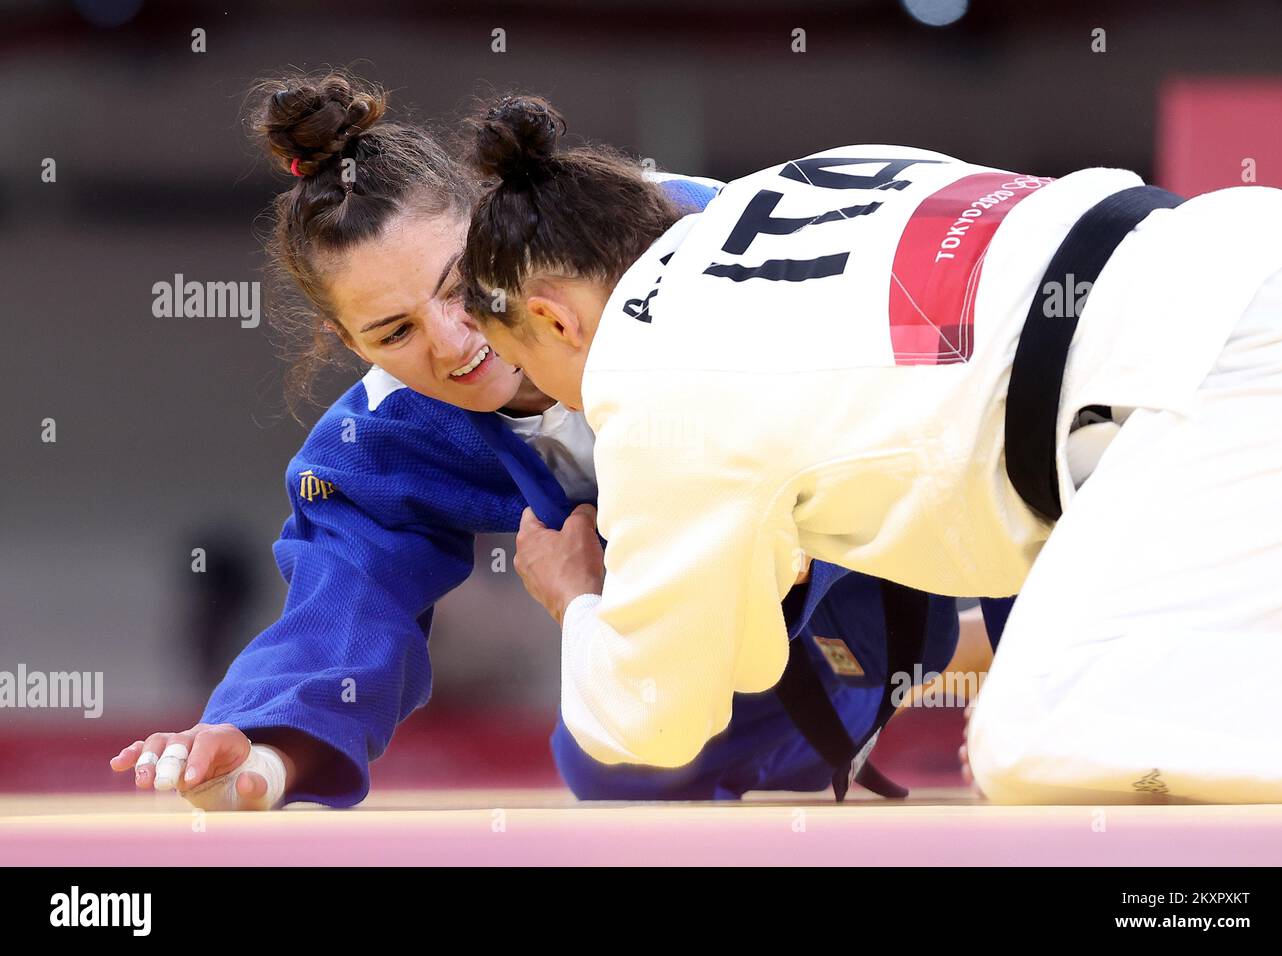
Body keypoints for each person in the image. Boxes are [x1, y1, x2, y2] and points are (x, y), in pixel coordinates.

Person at [109, 73, 1006, 809]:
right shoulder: (387, 441)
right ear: (348, 346)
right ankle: (941, 648)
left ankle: (988, 635)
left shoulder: (675, 240)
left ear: (491, 219)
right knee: (608, 764)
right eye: (393, 333)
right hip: (754, 625)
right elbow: (343, 607)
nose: (454, 343)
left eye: (461, 286)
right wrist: (260, 757)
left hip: (945, 492)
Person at [460, 94, 1282, 803]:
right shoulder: (789, 185)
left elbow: (652, 714)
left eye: (533, 371)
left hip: (1208, 381)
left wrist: (576, 600)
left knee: (1036, 738)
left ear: (551, 317)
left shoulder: (647, 377)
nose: (558, 404)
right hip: (1246, 251)